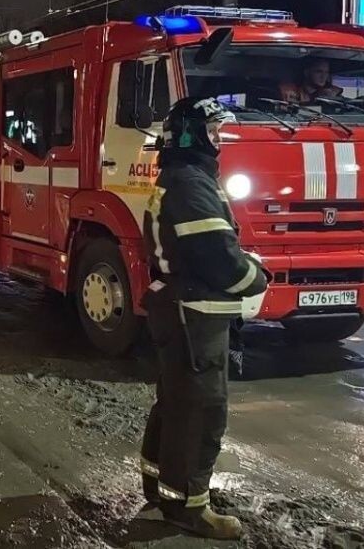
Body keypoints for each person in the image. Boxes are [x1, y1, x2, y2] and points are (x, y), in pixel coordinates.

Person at [138, 97, 270, 540]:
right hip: (194, 315)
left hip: (182, 311)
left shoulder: (181, 179)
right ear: (194, 134)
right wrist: (258, 277)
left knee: (177, 403)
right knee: (201, 412)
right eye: (213, 132)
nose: (218, 141)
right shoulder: (191, 186)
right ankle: (188, 508)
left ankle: (160, 487)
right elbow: (220, 259)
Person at [278, 57, 343, 104]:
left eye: (326, 72)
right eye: (319, 72)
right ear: (307, 73)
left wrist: (333, 100)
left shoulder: (333, 93)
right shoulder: (288, 91)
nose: (323, 76)